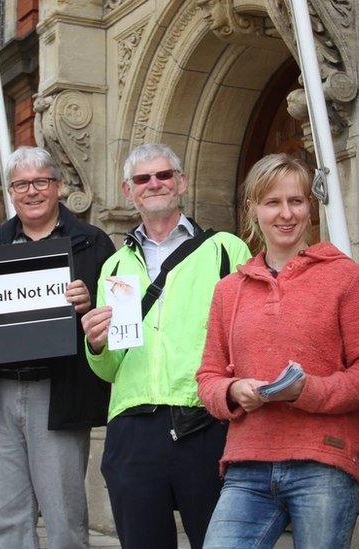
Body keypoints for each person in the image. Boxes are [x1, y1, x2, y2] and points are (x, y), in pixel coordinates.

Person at [195, 153, 359, 548]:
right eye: (273, 203)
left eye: (296, 201)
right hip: (246, 466)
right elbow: (208, 378)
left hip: (323, 462)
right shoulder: (229, 290)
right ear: (253, 209)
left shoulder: (346, 278)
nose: (286, 214)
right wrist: (233, 392)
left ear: (310, 207)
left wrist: (306, 391)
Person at [81, 143, 251, 549]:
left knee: (220, 543)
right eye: (143, 179)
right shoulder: (115, 266)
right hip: (133, 428)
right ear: (128, 191)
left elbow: (249, 336)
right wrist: (96, 345)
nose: (154, 184)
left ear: (182, 182)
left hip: (205, 421)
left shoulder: (226, 250)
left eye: (164, 175)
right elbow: (108, 369)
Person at [0, 146, 115, 549]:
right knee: (9, 519)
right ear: (11, 192)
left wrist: (92, 306)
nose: (31, 191)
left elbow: (118, 318)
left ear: (59, 187)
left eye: (41, 182)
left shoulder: (93, 243)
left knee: (65, 516)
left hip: (60, 391)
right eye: (21, 184)